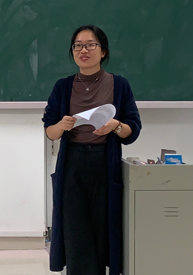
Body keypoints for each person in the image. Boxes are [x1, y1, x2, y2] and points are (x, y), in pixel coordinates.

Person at [42, 25, 142, 275]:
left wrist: (116, 126)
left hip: (103, 163)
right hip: (72, 164)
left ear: (103, 51)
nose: (83, 50)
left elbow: (132, 130)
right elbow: (50, 132)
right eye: (77, 46)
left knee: (102, 228)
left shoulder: (119, 85)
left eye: (90, 45)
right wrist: (61, 126)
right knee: (74, 230)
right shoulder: (63, 87)